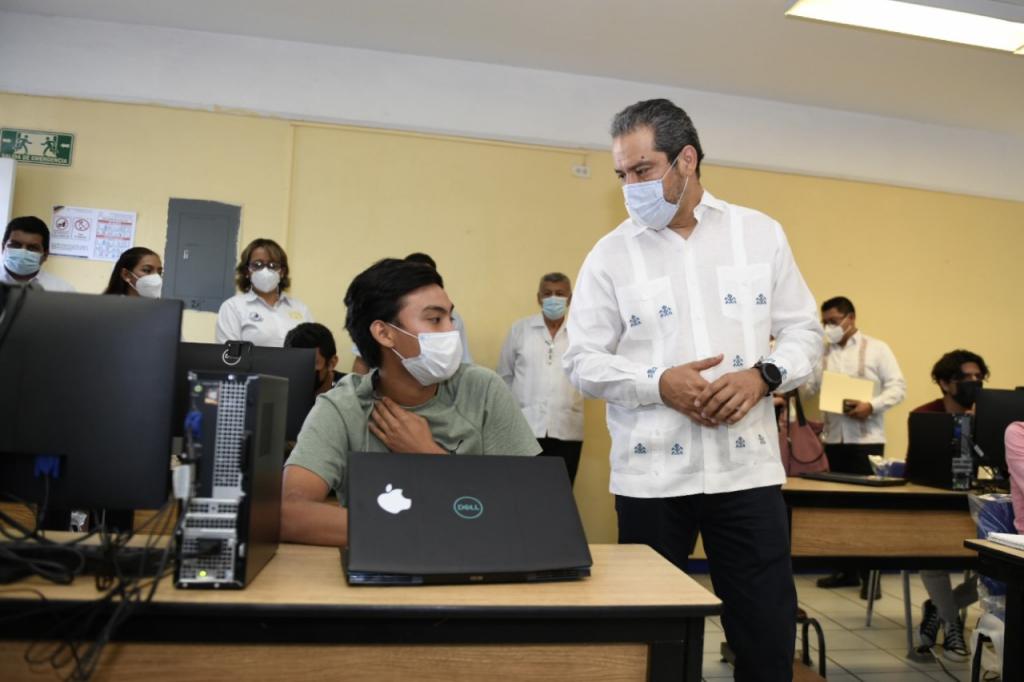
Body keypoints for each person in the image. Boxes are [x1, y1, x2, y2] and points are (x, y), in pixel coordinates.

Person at [563, 98, 822, 682]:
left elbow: (805, 333)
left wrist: (763, 377)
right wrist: (659, 384)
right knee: (651, 636)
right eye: (621, 175)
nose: (631, 187)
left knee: (764, 633)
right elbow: (581, 361)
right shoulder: (610, 255)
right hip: (652, 478)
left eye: (643, 170)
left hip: (747, 474)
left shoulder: (759, 234)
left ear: (687, 160)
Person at [281, 258, 540, 547]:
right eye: (434, 319)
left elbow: (529, 506)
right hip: (379, 574)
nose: (451, 331)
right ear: (384, 333)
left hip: (476, 563)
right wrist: (419, 529)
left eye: (450, 318)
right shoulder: (342, 407)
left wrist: (429, 455)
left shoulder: (483, 390)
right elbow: (289, 513)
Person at [803, 296, 906, 595]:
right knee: (837, 508)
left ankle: (871, 578)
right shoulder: (822, 353)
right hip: (834, 438)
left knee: (869, 510)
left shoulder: (877, 348)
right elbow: (808, 388)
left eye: (833, 321)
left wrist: (871, 405)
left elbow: (898, 387)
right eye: (825, 322)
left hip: (867, 440)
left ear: (851, 318)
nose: (829, 327)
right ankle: (845, 571)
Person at [912, 349, 989, 662]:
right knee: (931, 556)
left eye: (978, 377)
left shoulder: (991, 415)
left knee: (1002, 568)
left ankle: (941, 607)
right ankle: (952, 624)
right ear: (944, 383)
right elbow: (913, 468)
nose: (974, 383)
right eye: (965, 378)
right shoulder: (925, 415)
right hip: (936, 504)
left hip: (980, 504)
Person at [497, 272, 585, 485]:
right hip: (524, 429)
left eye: (560, 293)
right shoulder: (520, 330)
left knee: (560, 492)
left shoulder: (581, 333)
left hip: (567, 429)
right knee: (522, 490)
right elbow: (504, 375)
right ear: (538, 297)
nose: (553, 298)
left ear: (570, 298)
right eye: (548, 293)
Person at [351, 252, 473, 373]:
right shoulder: (378, 314)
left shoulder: (483, 386)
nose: (450, 330)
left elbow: (463, 361)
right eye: (434, 319)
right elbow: (361, 362)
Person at [215, 238, 312, 347]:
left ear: (282, 272)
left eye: (272, 265)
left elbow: (312, 352)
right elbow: (229, 357)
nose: (265, 271)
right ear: (247, 271)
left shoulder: (300, 309)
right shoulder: (233, 307)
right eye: (257, 265)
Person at [1, 216, 75, 292]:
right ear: (3, 248)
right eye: (16, 245)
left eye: (32, 248)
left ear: (45, 255)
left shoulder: (62, 290)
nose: (23, 252)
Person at [284, 322, 345, 396]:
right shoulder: (281, 391)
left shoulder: (350, 394)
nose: (301, 370)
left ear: (331, 363)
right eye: (295, 363)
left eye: (310, 363)